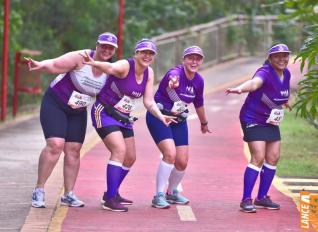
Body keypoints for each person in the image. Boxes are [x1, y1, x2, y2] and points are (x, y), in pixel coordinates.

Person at [81, 38, 176, 212]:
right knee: (119, 150)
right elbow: (110, 68)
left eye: (151, 54)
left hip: (124, 116)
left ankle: (112, 192)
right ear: (136, 53)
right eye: (144, 52)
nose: (147, 56)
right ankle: (110, 199)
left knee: (130, 157)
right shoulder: (126, 65)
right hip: (104, 111)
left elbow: (148, 101)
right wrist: (94, 63)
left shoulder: (149, 73)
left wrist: (161, 116)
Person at [25, 32, 118, 208]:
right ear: (96, 45)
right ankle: (39, 189)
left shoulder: (110, 70)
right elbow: (54, 64)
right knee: (55, 145)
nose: (106, 50)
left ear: (114, 51)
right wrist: (40, 64)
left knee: (74, 150)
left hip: (78, 110)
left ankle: (68, 194)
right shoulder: (81, 57)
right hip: (56, 103)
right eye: (103, 46)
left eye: (110, 48)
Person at [225, 43, 292, 213]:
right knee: (258, 157)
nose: (282, 59)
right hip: (252, 118)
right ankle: (246, 199)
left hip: (270, 120)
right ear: (270, 58)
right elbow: (255, 84)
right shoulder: (265, 71)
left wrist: (284, 102)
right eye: (277, 56)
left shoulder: (287, 73)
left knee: (274, 157)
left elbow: (281, 91)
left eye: (285, 55)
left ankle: (262, 197)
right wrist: (240, 89)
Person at [145, 45, 211, 209]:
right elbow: (171, 79)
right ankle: (158, 195)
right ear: (183, 60)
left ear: (201, 61)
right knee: (170, 154)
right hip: (160, 117)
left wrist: (204, 123)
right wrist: (173, 82)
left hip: (178, 120)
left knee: (182, 161)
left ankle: (172, 192)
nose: (194, 61)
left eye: (198, 58)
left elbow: (199, 103)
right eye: (190, 58)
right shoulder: (175, 73)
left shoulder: (199, 81)